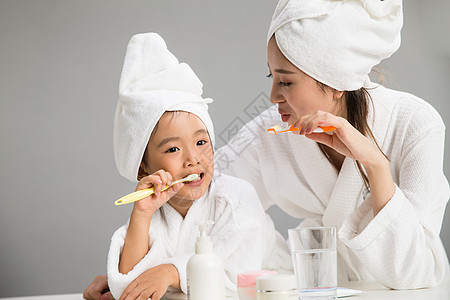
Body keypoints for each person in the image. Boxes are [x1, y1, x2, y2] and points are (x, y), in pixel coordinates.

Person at [84, 0, 450, 297]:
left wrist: (376, 165)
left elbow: (418, 271)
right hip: (312, 287)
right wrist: (132, 273)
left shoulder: (417, 125)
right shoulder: (270, 131)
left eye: (286, 81)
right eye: (271, 78)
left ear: (336, 82)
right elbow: (199, 204)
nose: (273, 96)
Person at [92, 32, 290, 300]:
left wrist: (171, 272)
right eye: (173, 149)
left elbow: (238, 274)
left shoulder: (235, 198)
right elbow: (130, 284)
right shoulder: (154, 214)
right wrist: (141, 215)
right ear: (143, 168)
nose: (193, 159)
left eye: (201, 142)